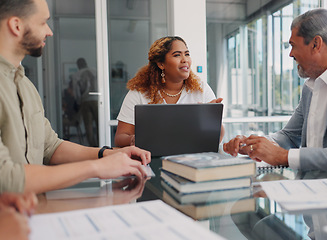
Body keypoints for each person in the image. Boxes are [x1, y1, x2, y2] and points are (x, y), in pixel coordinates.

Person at [0, 0, 151, 194]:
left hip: (33, 213)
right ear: (16, 25)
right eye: (43, 22)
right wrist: (96, 168)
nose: (49, 31)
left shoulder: (26, 86)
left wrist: (109, 154)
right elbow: (5, 177)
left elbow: (51, 147)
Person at [223, 8, 327, 180]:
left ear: (315, 44)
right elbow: (289, 136)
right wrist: (254, 144)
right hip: (313, 189)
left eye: (293, 45)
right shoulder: (311, 86)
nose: (290, 54)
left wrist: (284, 157)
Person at [115, 36, 224, 147]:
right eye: (177, 55)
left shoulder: (201, 89)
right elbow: (120, 137)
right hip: (149, 160)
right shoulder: (139, 92)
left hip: (192, 159)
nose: (185, 59)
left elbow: (217, 137)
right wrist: (135, 140)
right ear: (161, 64)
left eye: (187, 54)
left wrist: (212, 117)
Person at [71, 58, 98, 146]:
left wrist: (79, 102)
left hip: (85, 101)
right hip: (97, 99)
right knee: (100, 124)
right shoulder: (95, 71)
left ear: (78, 65)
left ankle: (93, 148)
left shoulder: (76, 75)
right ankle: (102, 145)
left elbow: (76, 91)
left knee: (88, 126)